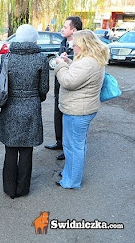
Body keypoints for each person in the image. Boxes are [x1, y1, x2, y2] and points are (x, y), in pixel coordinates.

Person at [0, 24, 49, 199]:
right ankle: (23, 188)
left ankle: (9, 189)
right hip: (32, 106)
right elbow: (44, 88)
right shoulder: (41, 58)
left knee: (10, 149)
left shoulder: (7, 58)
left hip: (10, 106)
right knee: (26, 150)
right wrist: (36, 98)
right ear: (34, 39)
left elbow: (2, 84)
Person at [55, 30, 109, 189]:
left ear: (84, 45)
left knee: (74, 147)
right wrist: (69, 63)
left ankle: (72, 181)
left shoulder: (87, 62)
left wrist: (61, 65)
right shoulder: (91, 59)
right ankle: (69, 173)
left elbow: (68, 81)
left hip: (78, 111)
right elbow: (80, 74)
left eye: (75, 43)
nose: (72, 46)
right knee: (74, 145)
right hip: (81, 108)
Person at [45, 16, 82, 161]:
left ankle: (67, 149)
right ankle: (59, 142)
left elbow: (78, 71)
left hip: (69, 86)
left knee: (68, 119)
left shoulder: (79, 46)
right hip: (59, 84)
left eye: (65, 27)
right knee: (57, 115)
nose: (62, 29)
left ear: (74, 30)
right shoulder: (63, 42)